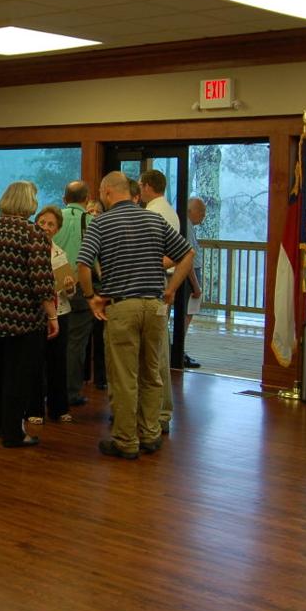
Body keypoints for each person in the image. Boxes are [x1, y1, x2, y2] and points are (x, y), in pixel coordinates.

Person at [76, 171, 194, 459]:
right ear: (130, 193)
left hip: (122, 306)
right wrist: (171, 289)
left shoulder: (101, 222)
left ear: (106, 193)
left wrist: (92, 298)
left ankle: (126, 441)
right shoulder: (154, 219)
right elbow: (187, 254)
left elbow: (82, 263)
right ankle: (150, 434)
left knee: (124, 376)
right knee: (151, 374)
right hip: (155, 306)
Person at [0, 182, 57, 448]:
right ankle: (13, 432)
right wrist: (52, 316)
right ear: (28, 203)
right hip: (21, 318)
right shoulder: (33, 234)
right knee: (18, 376)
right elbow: (42, 282)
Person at [140, 169, 182, 424]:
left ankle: (158, 412)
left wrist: (149, 265)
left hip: (155, 282)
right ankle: (156, 410)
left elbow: (174, 253)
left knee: (155, 351)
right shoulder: (170, 211)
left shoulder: (153, 213)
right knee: (156, 349)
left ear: (146, 187)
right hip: (163, 280)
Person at [26, 204, 73, 425]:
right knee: (34, 362)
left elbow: (68, 291)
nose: (45, 227)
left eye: (51, 224)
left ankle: (59, 407)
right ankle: (34, 408)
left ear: (57, 229)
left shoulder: (60, 253)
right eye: (42, 222)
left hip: (60, 312)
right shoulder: (28, 249)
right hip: (36, 314)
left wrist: (70, 287)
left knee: (58, 362)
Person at [57, 181, 94, 407]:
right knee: (76, 342)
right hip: (80, 286)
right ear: (87, 199)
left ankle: (48, 387)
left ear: (64, 199)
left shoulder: (52, 220)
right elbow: (95, 258)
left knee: (53, 338)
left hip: (54, 286)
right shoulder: (91, 222)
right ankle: (70, 391)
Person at [181, 197, 207, 368]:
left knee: (187, 314)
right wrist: (196, 286)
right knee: (187, 314)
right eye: (202, 212)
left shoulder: (188, 226)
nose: (203, 217)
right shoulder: (186, 227)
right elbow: (187, 258)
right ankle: (179, 350)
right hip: (191, 276)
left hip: (192, 274)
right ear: (192, 211)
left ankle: (179, 349)